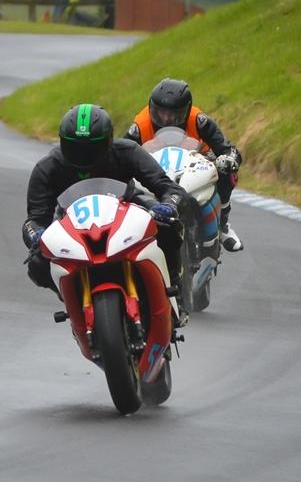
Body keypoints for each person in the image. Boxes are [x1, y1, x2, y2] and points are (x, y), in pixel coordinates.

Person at [22, 104, 190, 325]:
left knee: (169, 227)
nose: (84, 155)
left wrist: (168, 206)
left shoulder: (127, 151)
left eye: (92, 148)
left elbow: (170, 188)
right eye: (76, 148)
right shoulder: (48, 168)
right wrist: (37, 235)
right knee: (37, 263)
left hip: (127, 208)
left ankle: (174, 288)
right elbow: (34, 220)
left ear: (109, 140)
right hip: (72, 222)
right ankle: (72, 303)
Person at [124, 78, 244, 251]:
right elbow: (121, 152)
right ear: (151, 108)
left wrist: (229, 159)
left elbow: (229, 149)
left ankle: (223, 224)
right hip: (157, 167)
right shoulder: (140, 125)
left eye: (173, 114)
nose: (166, 118)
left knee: (227, 169)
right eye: (160, 112)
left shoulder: (199, 120)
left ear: (186, 111)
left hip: (198, 162)